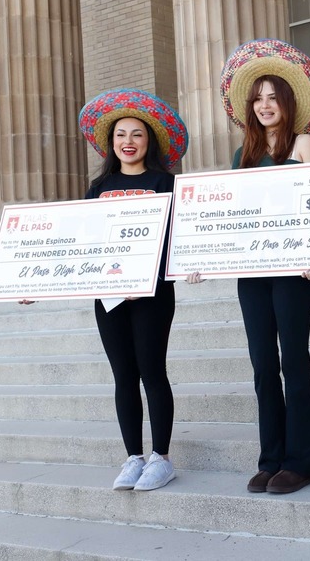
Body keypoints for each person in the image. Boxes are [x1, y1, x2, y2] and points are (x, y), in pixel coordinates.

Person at [195, 38, 310, 495]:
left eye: (273, 97)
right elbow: (232, 218)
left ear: (287, 103)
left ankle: (302, 461)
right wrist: (201, 255)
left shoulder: (304, 144)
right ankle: (271, 458)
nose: (265, 105)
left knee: (294, 360)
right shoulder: (243, 155)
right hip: (252, 274)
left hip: (295, 271)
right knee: (262, 365)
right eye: (258, 99)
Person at [77, 88, 189, 491]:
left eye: (137, 134)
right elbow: (83, 243)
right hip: (109, 297)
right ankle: (133, 458)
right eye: (120, 134)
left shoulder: (166, 183)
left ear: (149, 141)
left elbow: (179, 237)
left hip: (152, 295)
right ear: (111, 142)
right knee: (123, 375)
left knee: (152, 371)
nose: (128, 141)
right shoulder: (98, 187)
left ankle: (161, 458)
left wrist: (172, 270)